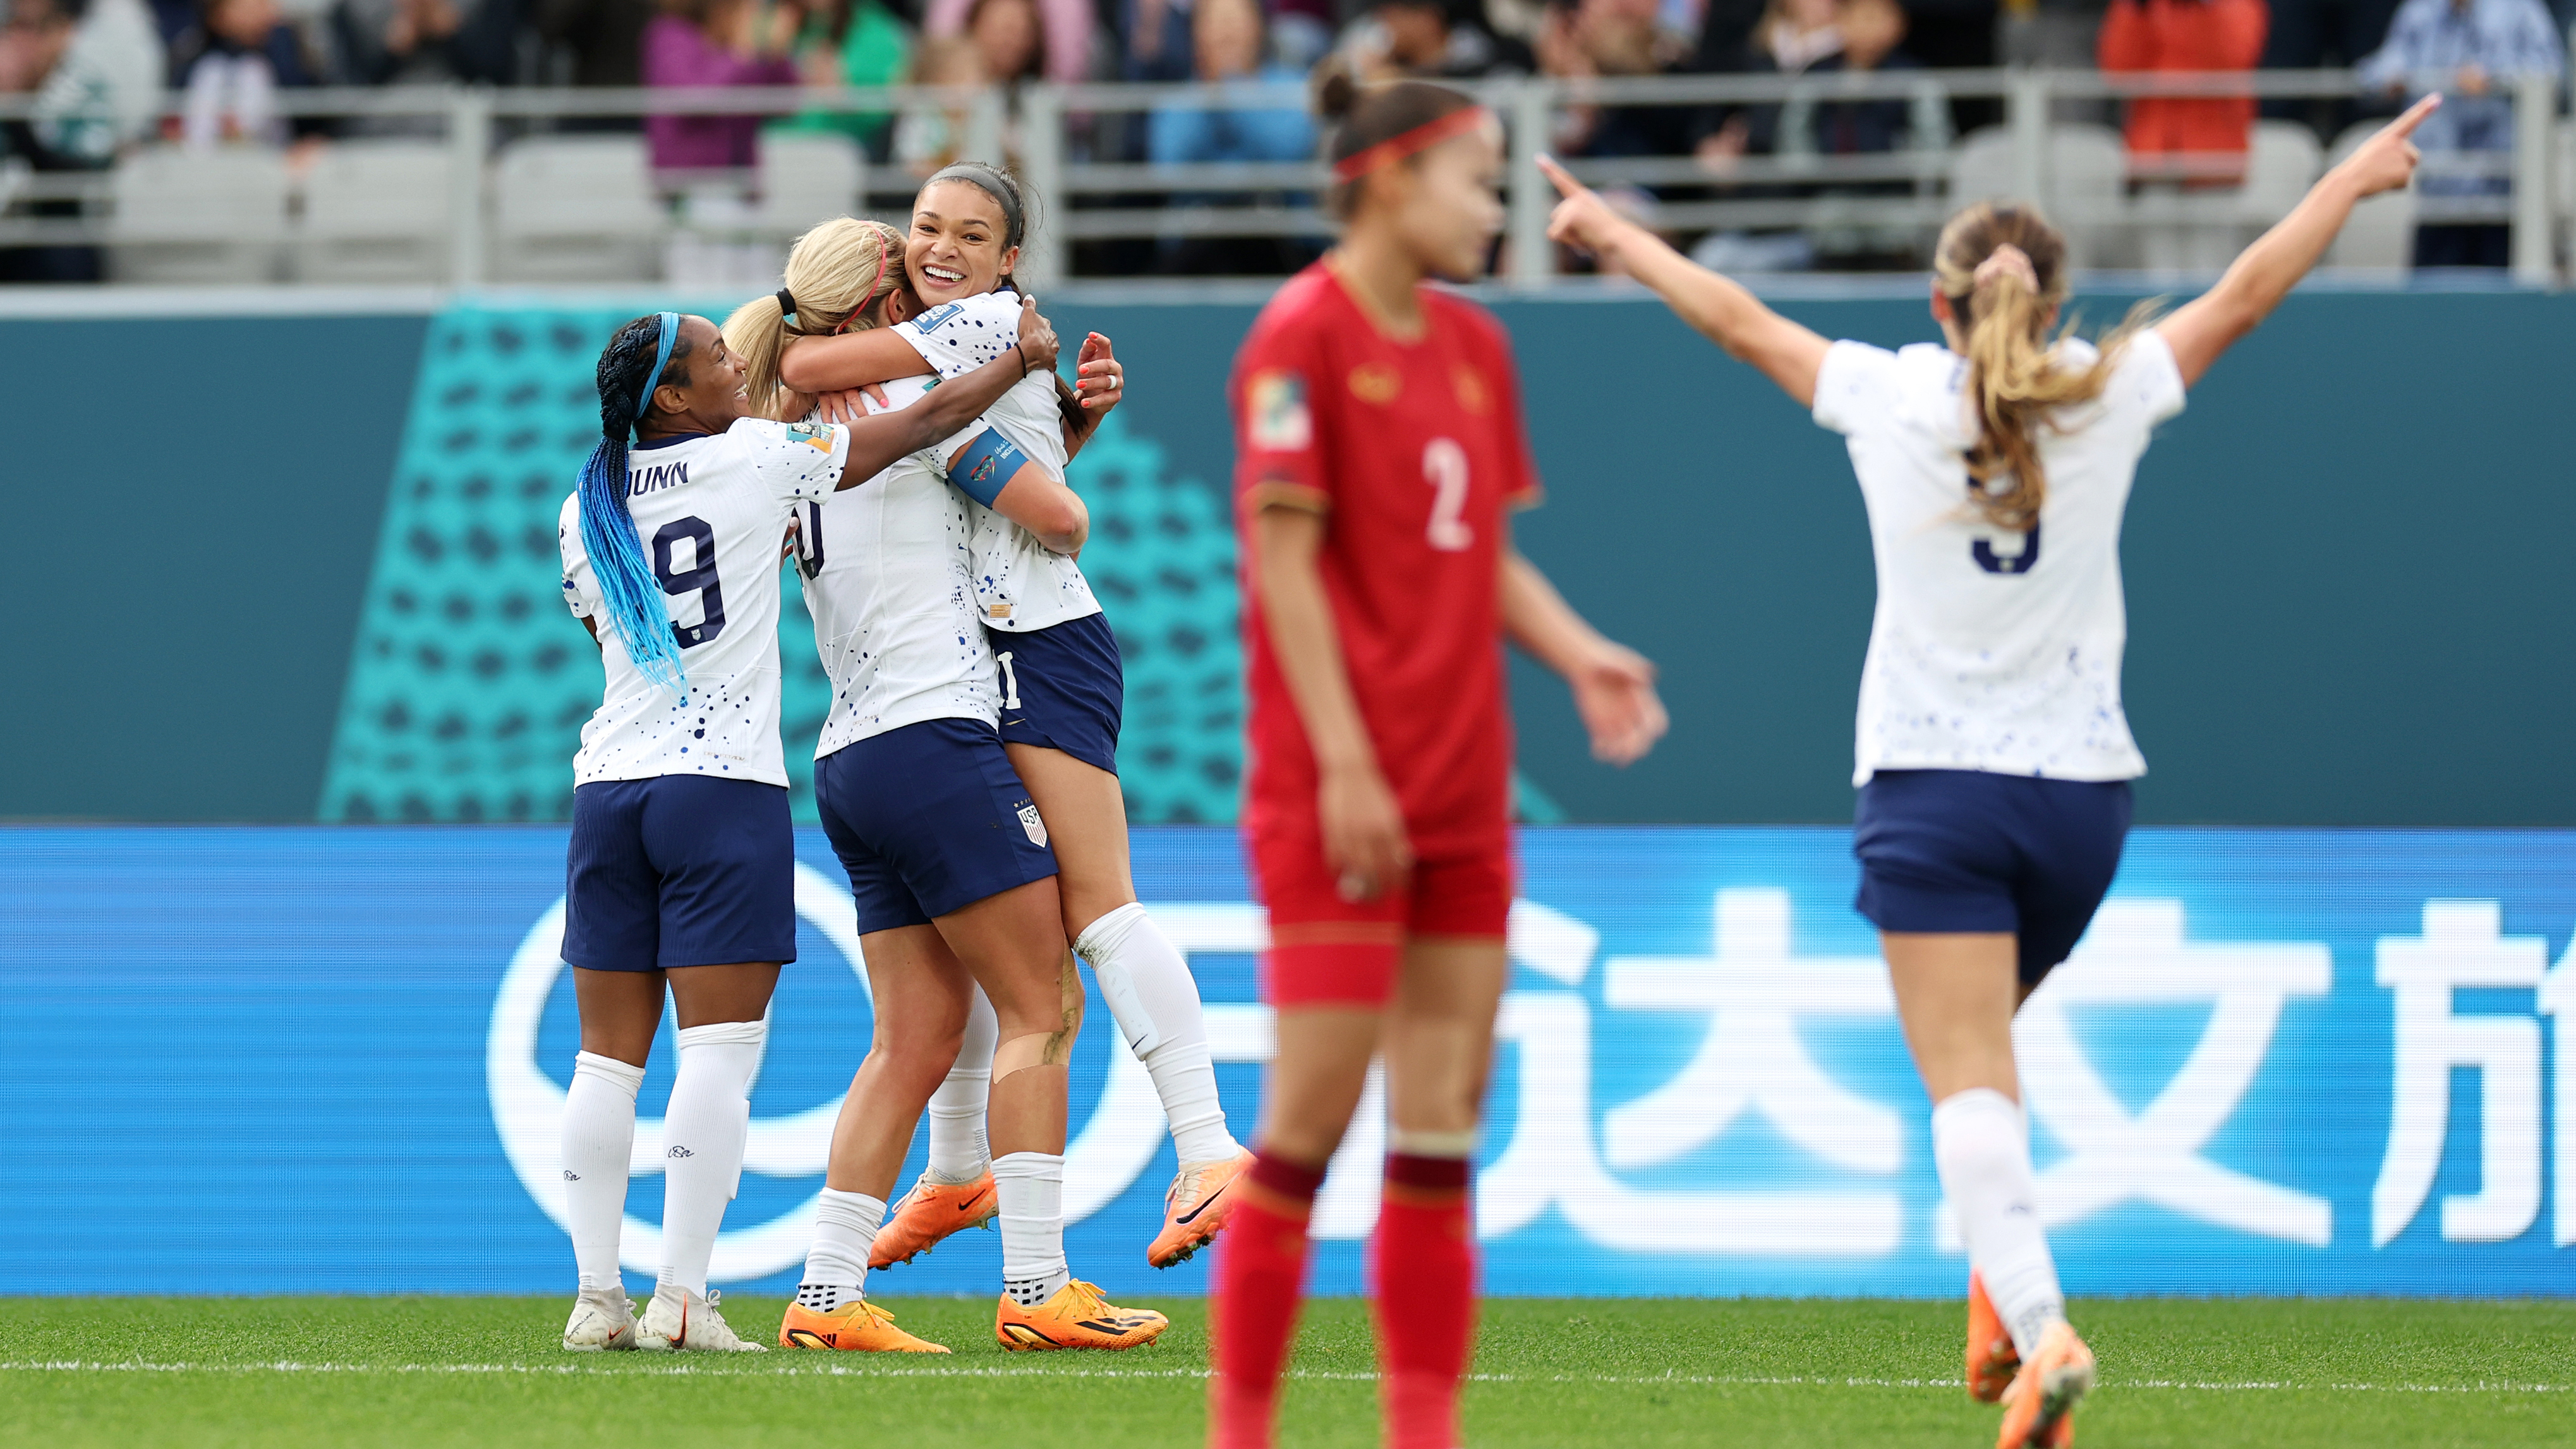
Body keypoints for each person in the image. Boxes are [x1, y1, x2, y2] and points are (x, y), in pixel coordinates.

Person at [1537, 93, 2438, 1449]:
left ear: (1939, 302)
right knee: (1989, 1056)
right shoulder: (2111, 387)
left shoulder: (1893, 393)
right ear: (2062, 303)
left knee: (1961, 1079)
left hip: (1931, 793)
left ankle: (2043, 1324)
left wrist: (1613, 232)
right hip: (2081, 806)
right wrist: (2350, 178)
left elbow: (1733, 317)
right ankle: (1997, 1311)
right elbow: (2247, 289)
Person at [1211, 78, 1667, 1449]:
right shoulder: (1298, 337)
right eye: (1476, 178)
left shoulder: (1474, 347)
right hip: (1337, 791)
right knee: (1310, 1116)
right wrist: (1345, 764)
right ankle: (1243, 1430)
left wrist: (1581, 651)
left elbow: (1481, 553)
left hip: (1465, 790)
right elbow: (1282, 566)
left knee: (1440, 1126)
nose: (1493, 206)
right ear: (1392, 179)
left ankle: (1424, 1432)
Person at [754, 167, 1261, 1279]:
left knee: (1092, 913)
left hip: (1034, 648)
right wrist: (1059, 422)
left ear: (1007, 262)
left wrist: (816, 356)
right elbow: (1005, 484)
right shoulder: (945, 369)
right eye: (924, 230)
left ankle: (1209, 1142)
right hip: (994, 660)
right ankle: (955, 1169)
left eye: (968, 234)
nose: (940, 248)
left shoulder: (968, 336)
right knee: (989, 932)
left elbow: (1054, 520)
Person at [552, 302, 1047, 1354]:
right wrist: (1017, 358)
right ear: (677, 398)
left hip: (608, 787)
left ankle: (597, 1297)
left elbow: (606, 625)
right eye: (716, 357)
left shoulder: (583, 506)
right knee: (718, 1055)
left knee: (604, 1062)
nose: (740, 363)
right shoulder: (754, 456)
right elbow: (919, 425)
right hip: (719, 789)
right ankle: (683, 1297)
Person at [716, 215, 1170, 1355]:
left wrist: (1065, 422)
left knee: (912, 1040)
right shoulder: (909, 411)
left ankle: (824, 1296)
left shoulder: (794, 437)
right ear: (878, 302)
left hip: (850, 763)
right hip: (936, 740)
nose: (931, 271)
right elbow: (1048, 522)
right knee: (1042, 1006)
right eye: (908, 260)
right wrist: (1026, 379)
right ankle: (1037, 1281)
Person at [2357, 0, 2560, 267]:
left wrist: (2494, 78)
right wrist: (2392, 78)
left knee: (2499, 301)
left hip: (2503, 194)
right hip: (2438, 191)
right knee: (2432, 301)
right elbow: (2379, 70)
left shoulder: (2521, 9)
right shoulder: (2419, 11)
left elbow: (2551, 71)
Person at [2096, 0, 2270, 185]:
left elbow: (2233, 60)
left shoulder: (2239, 5)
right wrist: (2137, 10)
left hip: (2217, 162)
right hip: (2149, 160)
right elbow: (2118, 70)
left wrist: (2208, 6)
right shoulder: (2145, 6)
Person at [641, 0, 803, 172]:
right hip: (687, 179)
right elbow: (694, 99)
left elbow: (787, 103)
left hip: (740, 179)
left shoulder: (745, 42)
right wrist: (740, 52)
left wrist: (776, 53)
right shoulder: (671, 33)